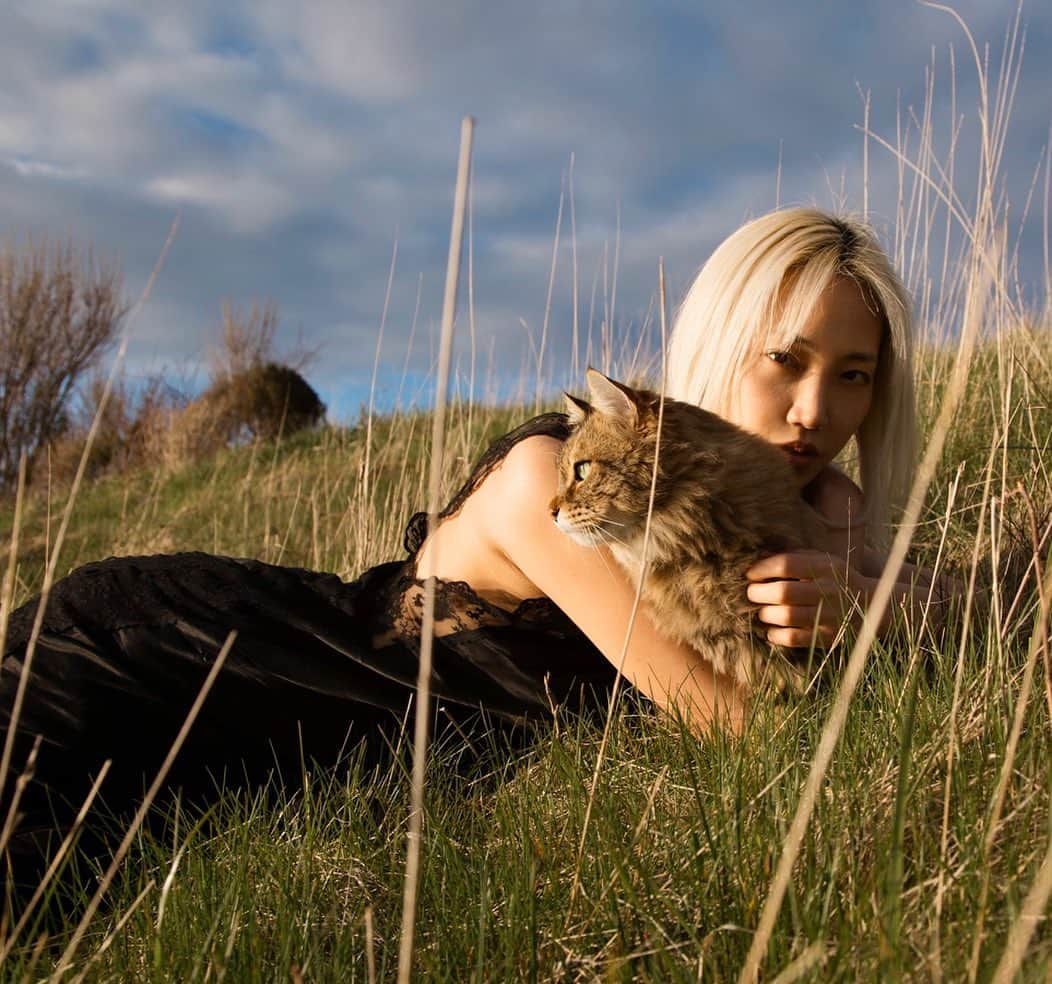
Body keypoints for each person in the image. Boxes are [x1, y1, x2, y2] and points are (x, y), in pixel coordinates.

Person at [0, 206, 944, 889]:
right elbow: (734, 724)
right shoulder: (553, 476)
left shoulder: (807, 504)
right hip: (157, 668)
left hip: (255, 771)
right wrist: (867, 604)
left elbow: (959, 604)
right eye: (785, 359)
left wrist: (867, 585)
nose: (816, 410)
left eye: (852, 375)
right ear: (722, 336)